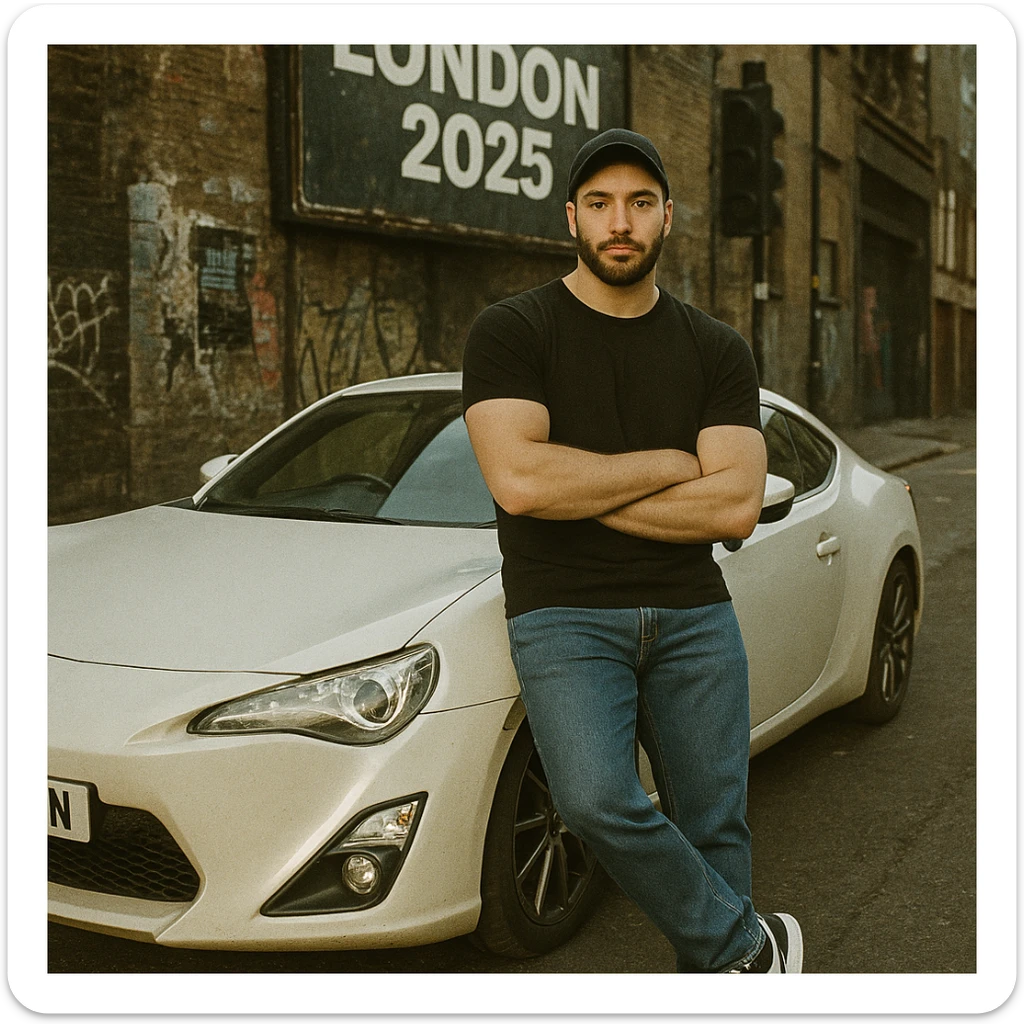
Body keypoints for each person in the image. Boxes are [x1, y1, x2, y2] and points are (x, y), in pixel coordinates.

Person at [461, 128, 803, 973]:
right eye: (604, 203)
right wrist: (667, 464)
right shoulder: (511, 331)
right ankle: (749, 948)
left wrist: (580, 487)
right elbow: (520, 483)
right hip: (564, 614)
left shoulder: (716, 348)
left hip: (693, 615)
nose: (623, 222)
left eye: (641, 203)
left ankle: (723, 980)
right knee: (594, 800)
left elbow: (733, 508)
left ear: (667, 219)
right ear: (571, 216)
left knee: (714, 819)